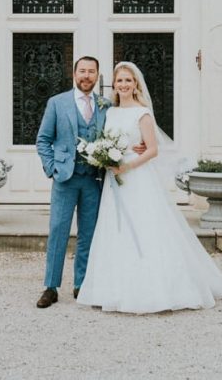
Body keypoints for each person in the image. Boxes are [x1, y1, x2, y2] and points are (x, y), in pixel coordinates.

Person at [76, 61, 222, 314]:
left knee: (145, 228)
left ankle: (154, 289)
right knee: (116, 229)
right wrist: (105, 158)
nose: (123, 85)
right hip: (115, 182)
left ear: (135, 85)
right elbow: (105, 141)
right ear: (114, 84)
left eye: (128, 80)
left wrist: (127, 166)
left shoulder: (142, 113)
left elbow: (153, 150)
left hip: (136, 178)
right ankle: (115, 289)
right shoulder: (110, 112)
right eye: (120, 80)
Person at [34, 55, 145, 308]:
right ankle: (50, 287)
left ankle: (81, 285)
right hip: (65, 179)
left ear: (97, 76)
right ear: (74, 74)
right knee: (58, 232)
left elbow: (119, 133)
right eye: (82, 71)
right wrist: (52, 168)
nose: (86, 76)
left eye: (91, 72)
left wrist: (135, 146)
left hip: (94, 179)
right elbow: (43, 140)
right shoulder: (57, 103)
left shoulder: (106, 106)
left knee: (88, 234)